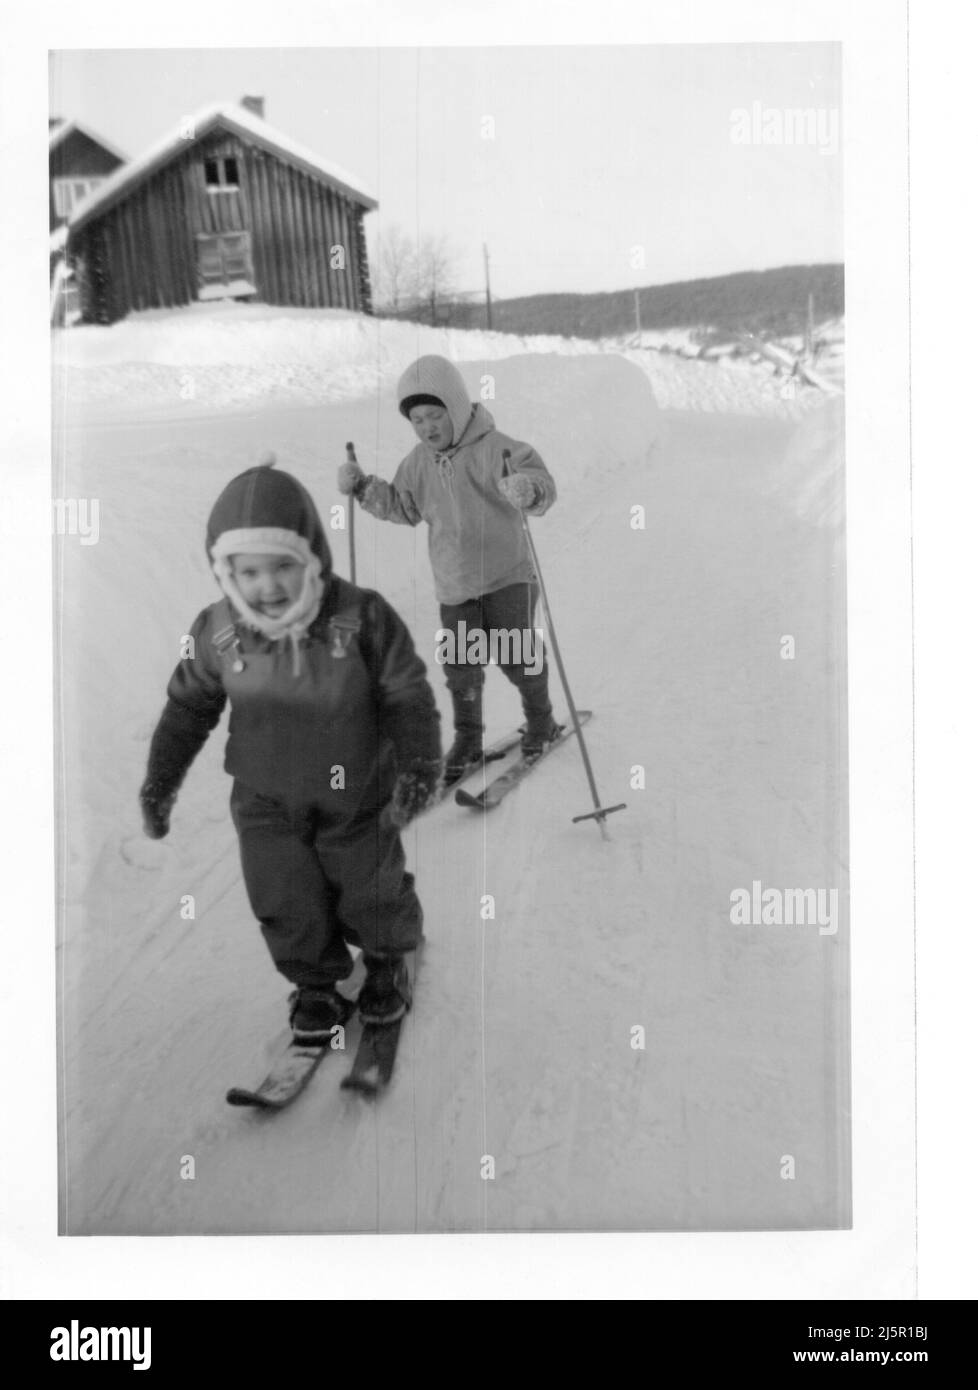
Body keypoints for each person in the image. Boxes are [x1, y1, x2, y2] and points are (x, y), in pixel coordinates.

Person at [138, 459, 441, 1040]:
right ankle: (316, 984)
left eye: (284, 566)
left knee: (369, 886)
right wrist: (160, 781)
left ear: (313, 557)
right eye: (248, 572)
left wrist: (420, 762)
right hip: (265, 801)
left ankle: (385, 960)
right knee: (284, 896)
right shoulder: (217, 632)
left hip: (354, 793)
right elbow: (187, 708)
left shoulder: (362, 617)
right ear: (225, 572)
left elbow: (406, 693)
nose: (268, 586)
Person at [338, 354, 559, 782]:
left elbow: (543, 487)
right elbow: (403, 508)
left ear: (455, 408)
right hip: (455, 585)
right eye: (417, 420)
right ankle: (468, 740)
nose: (427, 427)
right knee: (461, 667)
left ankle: (541, 721)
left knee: (518, 656)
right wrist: (364, 487)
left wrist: (527, 489)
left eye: (435, 415)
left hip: (507, 576)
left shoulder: (499, 449)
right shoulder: (417, 463)